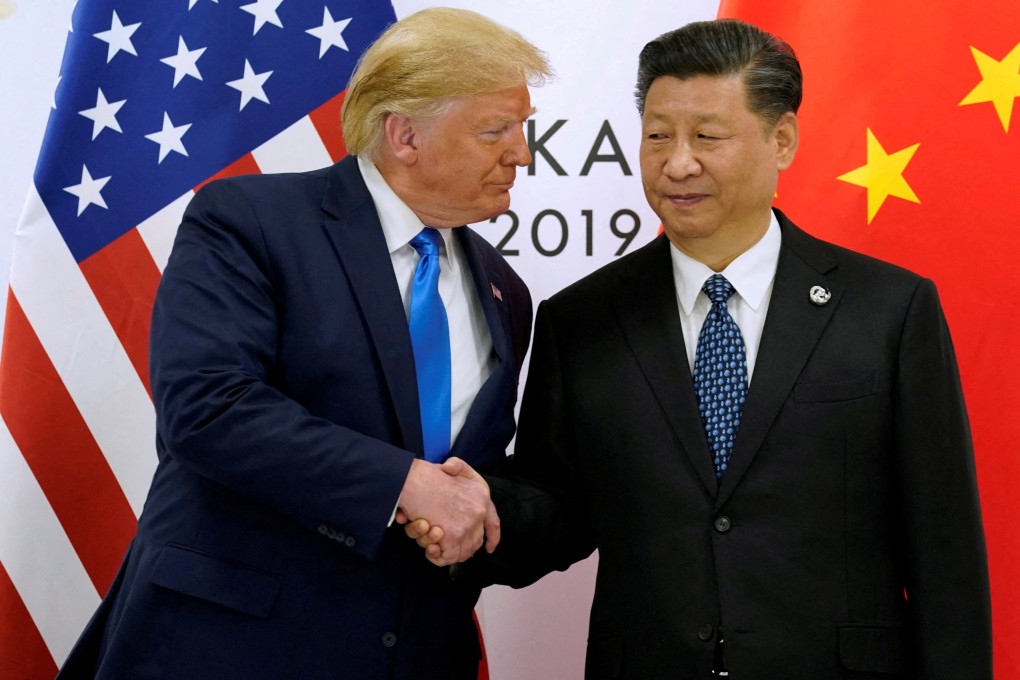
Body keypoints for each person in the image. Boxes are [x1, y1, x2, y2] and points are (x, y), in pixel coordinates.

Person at [414, 17, 992, 680]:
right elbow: (559, 508)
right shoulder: (582, 320)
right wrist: (478, 510)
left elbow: (944, 549)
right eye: (658, 135)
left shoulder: (889, 309)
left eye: (707, 137)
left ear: (782, 139)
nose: (677, 163)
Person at [55, 8, 550, 680]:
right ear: (405, 135)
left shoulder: (504, 290)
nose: (521, 154)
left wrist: (476, 511)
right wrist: (404, 485)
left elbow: (468, 476)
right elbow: (208, 407)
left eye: (522, 129)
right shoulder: (250, 222)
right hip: (231, 649)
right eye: (495, 131)